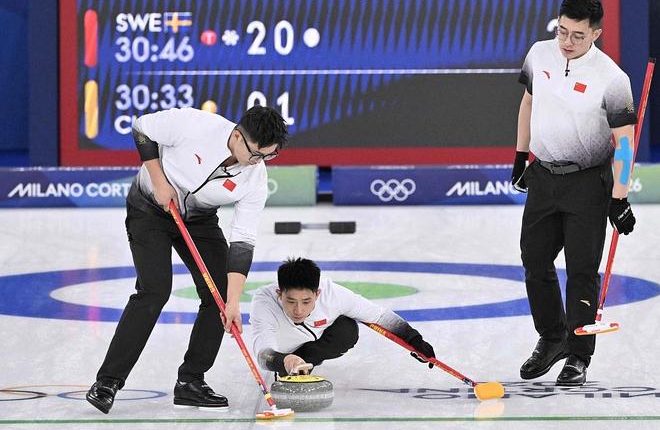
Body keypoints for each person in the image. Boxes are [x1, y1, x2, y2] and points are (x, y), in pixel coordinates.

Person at [85, 105, 288, 414]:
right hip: (149, 208)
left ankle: (190, 382)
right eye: (256, 154)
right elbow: (141, 128)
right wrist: (159, 182)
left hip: (198, 220)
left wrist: (232, 302)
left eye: (268, 156)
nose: (259, 162)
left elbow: (243, 240)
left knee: (220, 296)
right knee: (154, 290)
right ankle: (107, 381)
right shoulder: (195, 125)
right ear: (237, 136)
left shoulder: (255, 178)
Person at [511, 0, 637, 387]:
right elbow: (528, 103)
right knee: (534, 261)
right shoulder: (539, 54)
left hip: (587, 183)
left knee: (581, 271)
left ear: (596, 34)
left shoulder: (613, 78)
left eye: (577, 35)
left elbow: (625, 141)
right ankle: (552, 338)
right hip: (544, 176)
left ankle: (579, 354)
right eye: (562, 31)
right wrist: (521, 156)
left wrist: (619, 197)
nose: (566, 41)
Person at [249, 257, 436, 377]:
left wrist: (414, 339)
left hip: (312, 347)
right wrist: (283, 360)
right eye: (291, 301)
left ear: (317, 293)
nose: (298, 310)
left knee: (346, 329)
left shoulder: (333, 295)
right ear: (279, 293)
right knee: (281, 360)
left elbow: (379, 316)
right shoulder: (264, 304)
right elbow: (263, 353)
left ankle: (306, 361)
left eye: (306, 301)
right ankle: (290, 366)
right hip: (283, 353)